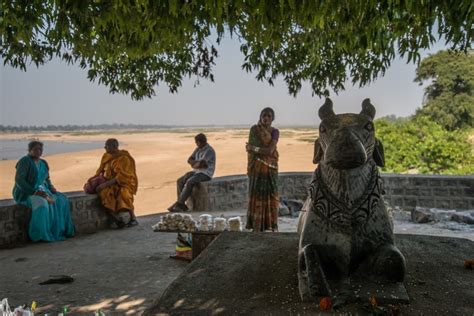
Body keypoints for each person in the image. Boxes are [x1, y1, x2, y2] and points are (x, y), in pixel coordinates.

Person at [13, 141, 75, 242]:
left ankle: (60, 231)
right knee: (42, 204)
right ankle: (40, 234)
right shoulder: (24, 161)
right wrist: (34, 192)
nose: (39, 151)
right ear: (29, 150)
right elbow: (19, 180)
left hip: (43, 190)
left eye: (40, 149)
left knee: (62, 199)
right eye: (36, 149)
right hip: (26, 193)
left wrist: (51, 188)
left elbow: (47, 179)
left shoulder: (43, 163)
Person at [245, 107, 280, 232]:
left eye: (269, 116)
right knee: (256, 194)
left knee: (272, 195)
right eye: (264, 115)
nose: (266, 118)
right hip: (256, 168)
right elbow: (250, 149)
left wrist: (254, 149)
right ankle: (256, 224)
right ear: (260, 117)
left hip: (270, 168)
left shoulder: (275, 132)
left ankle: (272, 224)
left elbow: (270, 150)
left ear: (272, 119)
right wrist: (255, 149)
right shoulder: (254, 130)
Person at [93, 138, 138, 227]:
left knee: (124, 194)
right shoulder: (106, 156)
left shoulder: (124, 158)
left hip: (123, 182)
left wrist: (105, 184)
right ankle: (117, 219)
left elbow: (122, 176)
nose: (105, 147)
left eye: (107, 146)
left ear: (114, 146)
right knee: (104, 194)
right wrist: (96, 180)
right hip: (109, 182)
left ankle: (133, 218)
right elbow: (101, 169)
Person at [168, 133, 216, 212]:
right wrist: (195, 164)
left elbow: (201, 164)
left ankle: (179, 204)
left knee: (190, 182)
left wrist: (195, 164)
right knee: (180, 180)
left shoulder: (209, 150)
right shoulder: (198, 149)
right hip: (197, 171)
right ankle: (181, 203)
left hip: (206, 174)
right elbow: (189, 159)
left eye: (196, 142)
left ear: (199, 142)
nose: (196, 144)